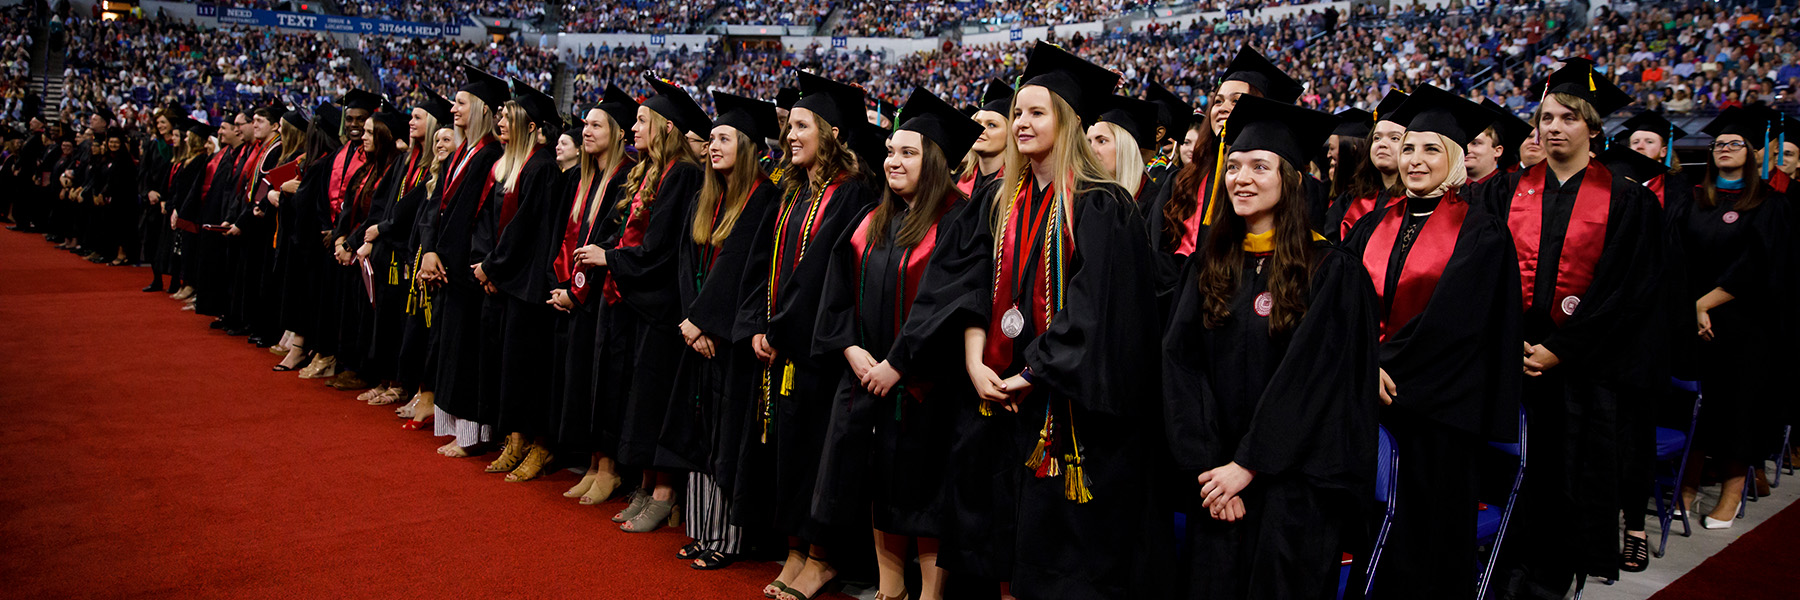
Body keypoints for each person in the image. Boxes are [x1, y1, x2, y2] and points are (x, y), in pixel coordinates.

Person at [1163, 93, 1379, 600]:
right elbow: (1180, 365)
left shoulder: (1331, 272)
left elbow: (1314, 381)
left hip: (1293, 491)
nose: (1241, 178)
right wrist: (1213, 469)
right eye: (1233, 165)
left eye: (1260, 166)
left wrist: (1249, 465)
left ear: (1290, 179)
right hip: (1216, 488)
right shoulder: (1208, 265)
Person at [1481, 60, 1665, 598]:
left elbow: (1629, 294)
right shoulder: (1504, 193)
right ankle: (1503, 572)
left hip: (1583, 371)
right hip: (1512, 363)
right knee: (1511, 474)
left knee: (1567, 480)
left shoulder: (1626, 199)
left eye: (1567, 117)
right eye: (1545, 117)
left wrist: (1561, 350)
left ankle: (1550, 581)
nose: (1553, 127)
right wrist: (1511, 336)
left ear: (1593, 128)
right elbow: (1484, 277)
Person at [1340, 84, 1521, 600]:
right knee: (1369, 530)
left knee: (1426, 538)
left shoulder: (1481, 232)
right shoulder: (1374, 223)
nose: (1415, 160)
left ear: (1457, 158)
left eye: (1431, 149)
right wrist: (1362, 365)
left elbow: (1455, 327)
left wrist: (1377, 368)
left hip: (1437, 415)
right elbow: (1342, 303)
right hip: (1369, 400)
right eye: (1410, 147)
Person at [811, 87, 981, 600]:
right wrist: (851, 350)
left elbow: (951, 305)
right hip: (869, 381)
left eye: (908, 152)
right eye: (890, 151)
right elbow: (835, 294)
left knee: (924, 492)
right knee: (881, 488)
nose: (893, 161)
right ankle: (890, 591)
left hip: (928, 386)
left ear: (935, 162)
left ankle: (929, 596)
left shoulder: (958, 218)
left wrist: (898, 365)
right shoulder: (872, 219)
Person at [736, 70, 877, 600]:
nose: (788, 135)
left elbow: (822, 270)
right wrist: (757, 324)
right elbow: (763, 263)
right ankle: (795, 549)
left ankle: (821, 558)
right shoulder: (794, 192)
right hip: (782, 346)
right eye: (788, 126)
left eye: (801, 126)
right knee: (788, 453)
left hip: (819, 351)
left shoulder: (852, 194)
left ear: (832, 132)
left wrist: (779, 328)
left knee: (818, 455)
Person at [656, 90, 778, 568]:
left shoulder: (762, 197)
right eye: (711, 139)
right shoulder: (709, 196)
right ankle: (702, 531)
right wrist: (690, 322)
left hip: (728, 344)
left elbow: (739, 270)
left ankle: (726, 540)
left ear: (746, 145)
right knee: (700, 435)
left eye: (724, 138)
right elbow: (688, 261)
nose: (713, 146)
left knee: (728, 443)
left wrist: (706, 323)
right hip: (698, 336)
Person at [588, 74, 709, 531]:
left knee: (658, 401)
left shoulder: (683, 175)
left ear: (665, 127)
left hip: (662, 307)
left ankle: (664, 491)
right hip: (638, 304)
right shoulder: (654, 172)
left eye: (642, 120)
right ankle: (645, 483)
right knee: (639, 400)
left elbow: (660, 250)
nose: (633, 129)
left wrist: (611, 258)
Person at [1670, 107, 1790, 532]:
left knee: (1738, 408)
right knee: (1694, 408)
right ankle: (1687, 483)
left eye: (1734, 143)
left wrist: (1707, 302)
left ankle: (1732, 491)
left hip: (1744, 325)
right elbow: (1676, 256)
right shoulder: (1694, 198)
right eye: (1719, 144)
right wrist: (1691, 305)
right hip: (1693, 322)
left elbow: (1761, 266)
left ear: (1753, 153)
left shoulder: (1771, 205)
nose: (1724, 149)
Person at [470, 79, 566, 482]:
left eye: (509, 115)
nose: (501, 120)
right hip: (504, 280)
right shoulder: (505, 165)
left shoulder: (542, 167)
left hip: (526, 285)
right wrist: (485, 263)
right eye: (500, 115)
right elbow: (490, 223)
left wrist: (493, 267)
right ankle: (514, 437)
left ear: (530, 124)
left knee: (527, 368)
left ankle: (537, 444)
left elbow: (526, 230)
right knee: (505, 366)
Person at [549, 85, 635, 502]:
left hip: (604, 296)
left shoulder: (624, 177)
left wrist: (577, 291)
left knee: (603, 384)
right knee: (583, 383)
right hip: (581, 297)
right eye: (584, 124)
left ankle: (609, 469)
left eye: (595, 125)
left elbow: (609, 241)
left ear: (619, 132)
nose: (586, 131)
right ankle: (593, 463)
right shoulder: (589, 178)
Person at [419, 64, 509, 458]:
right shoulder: (464, 151)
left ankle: (472, 431)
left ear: (483, 108)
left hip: (467, 270)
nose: (453, 110)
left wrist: (444, 257)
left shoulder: (489, 153)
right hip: (448, 265)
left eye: (460, 103)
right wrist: (431, 250)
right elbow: (440, 208)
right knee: (451, 347)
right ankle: (457, 425)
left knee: (469, 350)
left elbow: (470, 216)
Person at [1324, 90, 1407, 241]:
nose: (1382, 144)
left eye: (1394, 138)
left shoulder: (1417, 203)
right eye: (1377, 137)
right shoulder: (1348, 199)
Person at [1088, 94, 1158, 202]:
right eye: (1088, 142)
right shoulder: (1088, 198)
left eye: (1102, 141)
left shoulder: (1153, 201)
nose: (1091, 150)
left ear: (1125, 146)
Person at [956, 79, 1011, 197]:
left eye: (991, 125)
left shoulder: (1015, 191)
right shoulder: (956, 184)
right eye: (977, 123)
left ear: (1009, 135)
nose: (981, 130)